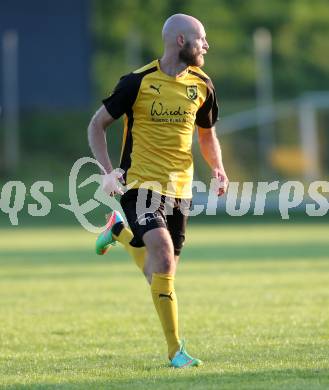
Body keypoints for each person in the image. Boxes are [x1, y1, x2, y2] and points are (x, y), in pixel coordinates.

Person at [88, 13, 229, 368]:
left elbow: (207, 134)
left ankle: (118, 232)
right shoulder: (136, 82)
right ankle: (175, 350)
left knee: (160, 273)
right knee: (163, 255)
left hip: (181, 190)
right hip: (139, 185)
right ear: (180, 42)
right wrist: (108, 173)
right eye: (201, 39)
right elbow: (97, 125)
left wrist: (218, 167)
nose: (206, 46)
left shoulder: (203, 85)